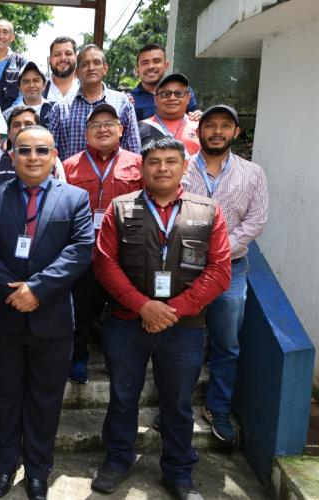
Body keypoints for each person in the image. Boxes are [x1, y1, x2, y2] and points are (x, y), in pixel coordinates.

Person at [91, 137, 231, 500]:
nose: (163, 168)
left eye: (171, 161)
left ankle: (179, 472)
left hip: (183, 328)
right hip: (126, 321)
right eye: (154, 162)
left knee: (178, 401)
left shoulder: (208, 210)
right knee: (123, 396)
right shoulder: (121, 209)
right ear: (142, 168)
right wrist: (143, 306)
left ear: (185, 167)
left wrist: (174, 310)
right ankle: (118, 459)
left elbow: (219, 270)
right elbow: (105, 263)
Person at [0, 125, 94, 500]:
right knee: (4, 394)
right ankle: (4, 465)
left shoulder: (75, 198)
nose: (33, 157)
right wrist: (15, 290)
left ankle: (38, 470)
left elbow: (81, 249)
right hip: (6, 315)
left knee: (45, 397)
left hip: (53, 317)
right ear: (12, 155)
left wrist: (37, 289)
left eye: (42, 150)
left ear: (54, 154)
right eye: (25, 151)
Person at [182, 104, 268, 443]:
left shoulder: (253, 173)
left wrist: (218, 250)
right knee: (180, 339)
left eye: (225, 126)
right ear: (200, 131)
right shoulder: (182, 167)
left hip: (231, 270)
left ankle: (217, 406)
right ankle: (173, 404)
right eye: (210, 125)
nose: (217, 131)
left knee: (226, 343)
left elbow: (256, 221)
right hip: (185, 268)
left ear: (236, 132)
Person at [62, 103, 142, 384]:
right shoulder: (69, 166)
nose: (103, 128)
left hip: (124, 251)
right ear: (86, 134)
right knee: (80, 307)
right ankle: (78, 358)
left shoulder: (138, 163)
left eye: (110, 123)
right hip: (84, 250)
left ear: (121, 129)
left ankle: (116, 359)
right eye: (96, 125)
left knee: (121, 309)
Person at [48, 44, 141, 162]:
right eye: (85, 64)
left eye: (96, 62)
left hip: (115, 179)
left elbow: (133, 149)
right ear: (77, 73)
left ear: (105, 69)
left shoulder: (122, 102)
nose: (91, 68)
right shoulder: (60, 108)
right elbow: (52, 155)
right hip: (70, 179)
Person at [0, 105, 65, 186]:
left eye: (28, 124)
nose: (22, 128)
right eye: (16, 125)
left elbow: (61, 192)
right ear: (9, 133)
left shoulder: (53, 160)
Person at [130, 43, 199, 121]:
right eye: (145, 63)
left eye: (156, 61)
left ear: (166, 65)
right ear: (137, 70)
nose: (151, 66)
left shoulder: (182, 91)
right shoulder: (129, 100)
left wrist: (199, 117)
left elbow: (193, 118)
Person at [138, 74, 200, 157]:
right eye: (166, 94)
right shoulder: (140, 128)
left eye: (179, 93)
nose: (172, 98)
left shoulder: (200, 126)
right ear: (156, 99)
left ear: (188, 98)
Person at [2, 62, 54, 129]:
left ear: (44, 85)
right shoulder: (8, 115)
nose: (31, 85)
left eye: (36, 80)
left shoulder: (55, 110)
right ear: (19, 87)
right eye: (26, 82)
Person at [44, 36, 80, 104]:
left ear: (76, 57)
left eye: (68, 53)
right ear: (49, 60)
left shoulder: (88, 89)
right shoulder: (38, 90)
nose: (63, 58)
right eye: (57, 54)